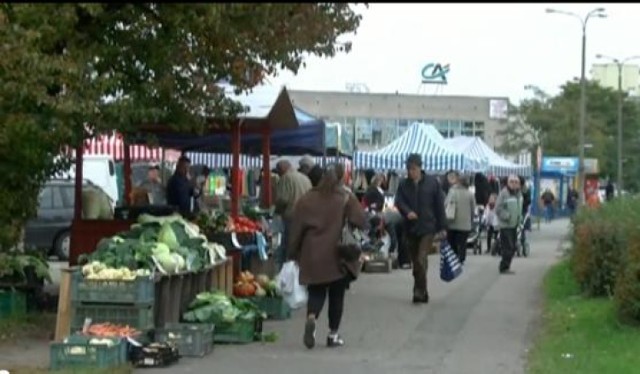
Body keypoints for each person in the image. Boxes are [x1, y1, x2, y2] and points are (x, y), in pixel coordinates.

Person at [288, 163, 366, 349]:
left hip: (312, 253)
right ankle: (333, 335)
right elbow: (360, 220)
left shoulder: (307, 199)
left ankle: (312, 317)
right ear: (341, 178)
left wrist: (293, 253)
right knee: (337, 295)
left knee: (316, 290)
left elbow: (296, 228)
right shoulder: (345, 197)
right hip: (337, 254)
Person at [394, 154, 447, 304]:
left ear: (420, 167)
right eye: (408, 169)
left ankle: (418, 291)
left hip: (427, 227)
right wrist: (407, 211)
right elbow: (399, 201)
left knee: (421, 258)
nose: (411, 172)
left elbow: (439, 205)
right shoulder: (403, 184)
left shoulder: (432, 183)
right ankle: (422, 290)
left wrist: (443, 227)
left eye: (413, 169)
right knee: (416, 263)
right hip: (411, 228)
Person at [274, 159, 312, 268]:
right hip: (306, 218)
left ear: (281, 170)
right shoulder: (305, 178)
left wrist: (276, 211)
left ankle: (287, 274)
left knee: (288, 247)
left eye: (278, 172)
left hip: (291, 218)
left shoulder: (286, 178)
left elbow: (283, 199)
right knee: (301, 247)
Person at [444, 172, 476, 265]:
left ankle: (453, 257)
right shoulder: (470, 194)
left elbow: (446, 204)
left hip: (452, 221)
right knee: (462, 243)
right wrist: (471, 218)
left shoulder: (452, 191)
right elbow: (473, 208)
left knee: (452, 241)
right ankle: (461, 258)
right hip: (465, 224)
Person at [495, 175, 523, 274]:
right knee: (508, 247)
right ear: (508, 183)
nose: (514, 184)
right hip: (505, 225)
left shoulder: (518, 194)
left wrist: (520, 219)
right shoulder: (503, 193)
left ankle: (506, 266)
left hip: (514, 225)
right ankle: (504, 267)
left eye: (516, 182)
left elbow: (519, 208)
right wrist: (507, 216)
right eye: (512, 182)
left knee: (512, 247)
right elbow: (498, 209)